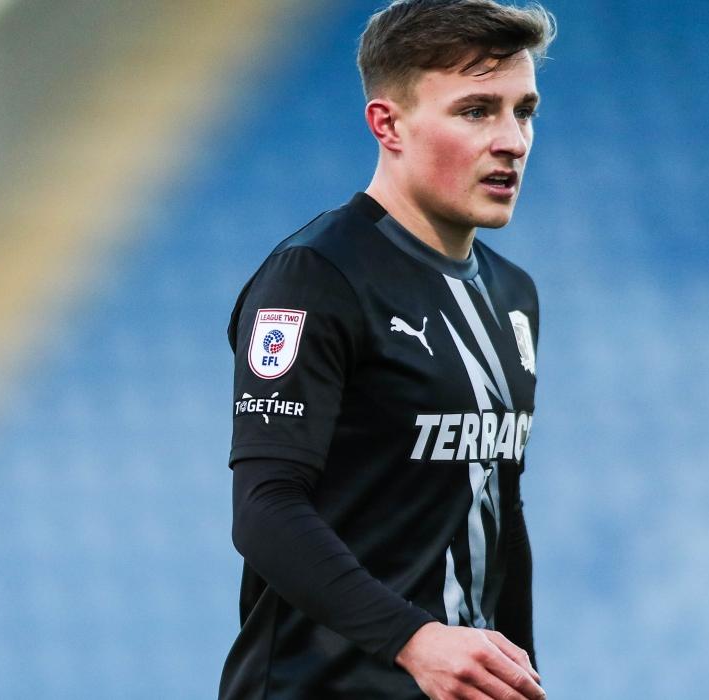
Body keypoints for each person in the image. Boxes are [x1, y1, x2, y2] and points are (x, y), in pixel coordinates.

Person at [218, 1, 555, 698]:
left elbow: (498, 508)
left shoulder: (512, 296)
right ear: (388, 124)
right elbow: (266, 507)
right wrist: (414, 640)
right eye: (475, 111)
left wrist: (522, 679)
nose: (512, 141)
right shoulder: (315, 277)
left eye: (523, 111)